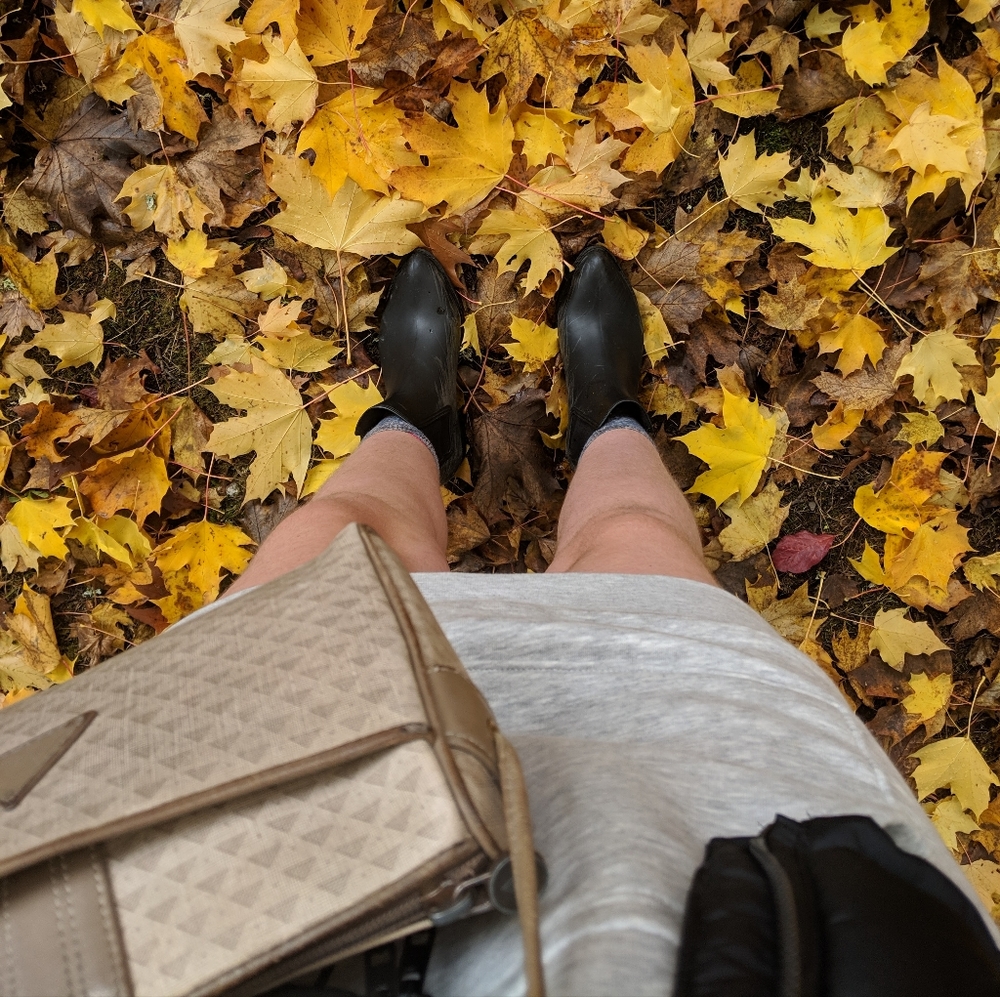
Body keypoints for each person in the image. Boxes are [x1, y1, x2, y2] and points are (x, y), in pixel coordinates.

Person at [221, 248, 999, 994]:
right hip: (722, 857)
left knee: (351, 533)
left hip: (276, 790)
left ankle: (412, 422)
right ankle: (607, 419)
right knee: (634, 540)